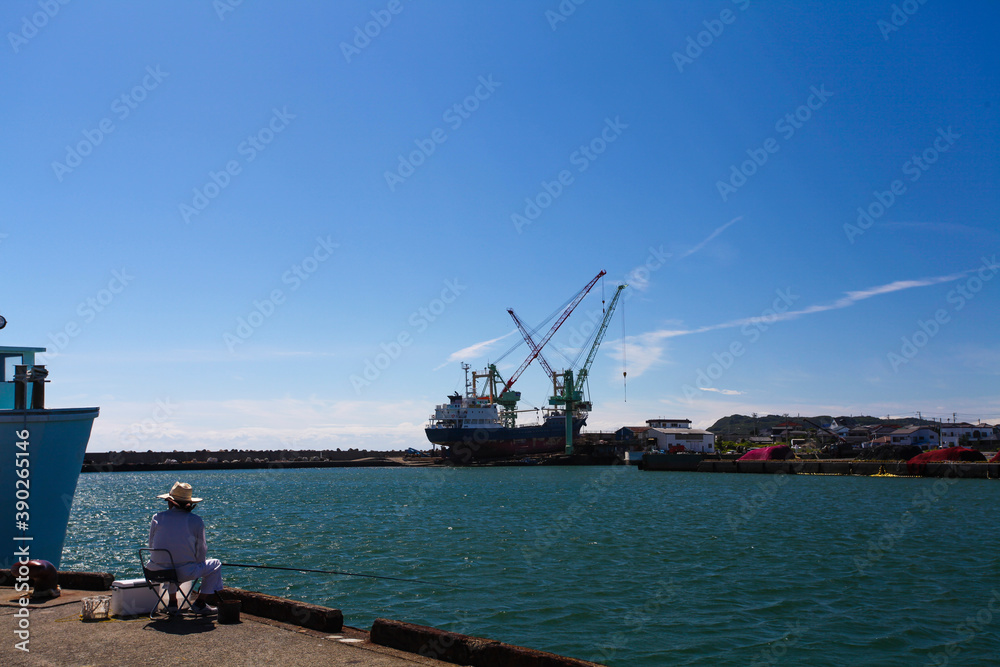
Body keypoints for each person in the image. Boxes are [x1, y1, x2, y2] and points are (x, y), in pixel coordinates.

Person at [147, 481, 223, 615]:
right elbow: (201, 551)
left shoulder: (157, 517)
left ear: (170, 502)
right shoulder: (196, 520)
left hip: (155, 570)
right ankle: (200, 603)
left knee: (171, 566)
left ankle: (172, 603)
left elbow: (151, 545)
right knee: (215, 564)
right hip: (183, 572)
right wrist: (195, 564)